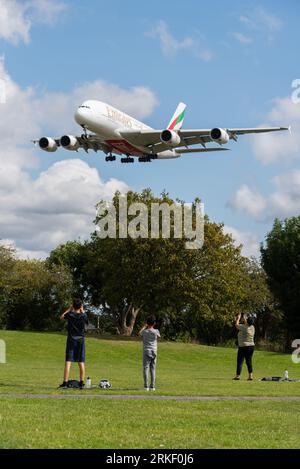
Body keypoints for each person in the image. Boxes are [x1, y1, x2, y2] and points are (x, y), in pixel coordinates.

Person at [59, 298, 88, 389]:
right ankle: (81, 383)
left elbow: (62, 317)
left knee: (68, 361)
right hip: (80, 340)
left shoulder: (70, 314)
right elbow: (87, 322)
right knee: (81, 361)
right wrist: (82, 310)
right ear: (81, 306)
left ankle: (65, 382)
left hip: (71, 339)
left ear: (73, 306)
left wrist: (69, 309)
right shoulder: (83, 316)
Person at [139, 315, 161, 391]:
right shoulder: (156, 331)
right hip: (154, 351)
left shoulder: (144, 332)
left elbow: (139, 333)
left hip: (146, 351)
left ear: (147, 323)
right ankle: (152, 386)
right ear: (154, 323)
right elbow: (159, 336)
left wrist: (145, 326)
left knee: (145, 368)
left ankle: (146, 386)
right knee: (153, 369)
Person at [233, 313, 255, 381]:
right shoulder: (252, 327)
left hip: (243, 346)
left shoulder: (244, 327)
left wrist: (238, 318)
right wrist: (244, 317)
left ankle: (238, 376)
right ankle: (250, 376)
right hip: (251, 346)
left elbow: (236, 325)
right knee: (249, 361)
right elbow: (247, 322)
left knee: (240, 361)